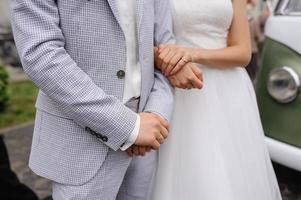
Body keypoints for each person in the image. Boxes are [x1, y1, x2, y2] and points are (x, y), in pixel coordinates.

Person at [9, 0, 202, 199]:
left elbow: (166, 53)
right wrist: (129, 127)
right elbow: (40, 55)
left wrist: (156, 114)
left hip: (146, 141)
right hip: (83, 141)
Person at [152, 0, 282, 199]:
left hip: (228, 90)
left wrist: (190, 53)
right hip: (180, 86)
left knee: (230, 172)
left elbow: (243, 52)